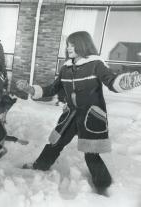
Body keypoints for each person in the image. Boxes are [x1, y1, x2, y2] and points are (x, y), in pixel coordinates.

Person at [16, 31, 141, 194]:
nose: (68, 48)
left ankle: (103, 184)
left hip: (91, 116)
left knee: (91, 153)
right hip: (71, 115)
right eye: (68, 44)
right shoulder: (66, 69)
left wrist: (130, 80)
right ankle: (40, 165)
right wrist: (30, 89)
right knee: (55, 143)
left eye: (72, 44)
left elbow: (112, 82)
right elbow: (52, 89)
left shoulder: (96, 65)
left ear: (83, 45)